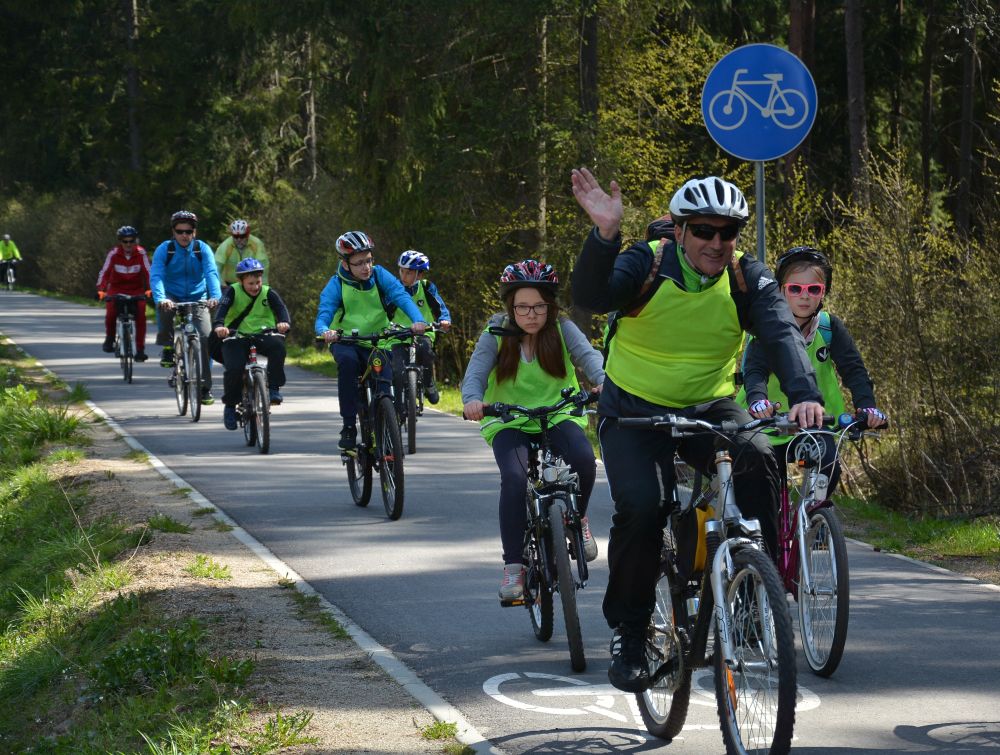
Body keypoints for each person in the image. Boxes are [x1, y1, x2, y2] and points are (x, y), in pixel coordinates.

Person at [570, 167, 825, 693]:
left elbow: (780, 332)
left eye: (727, 232)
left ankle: (757, 593)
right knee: (643, 506)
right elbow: (593, 296)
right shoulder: (648, 261)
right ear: (680, 230)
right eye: (704, 230)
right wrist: (604, 236)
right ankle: (632, 631)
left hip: (709, 405)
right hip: (634, 410)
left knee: (759, 459)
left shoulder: (745, 277)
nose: (716, 242)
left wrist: (804, 396)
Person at [463, 260, 604, 600]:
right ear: (510, 306)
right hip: (508, 418)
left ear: (550, 305)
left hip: (557, 413)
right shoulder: (496, 331)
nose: (531, 314)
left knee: (584, 461)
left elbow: (589, 357)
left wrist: (606, 384)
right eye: (522, 306)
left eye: (540, 306)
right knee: (514, 478)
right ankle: (514, 567)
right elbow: (477, 371)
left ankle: (578, 519)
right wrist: (472, 399)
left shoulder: (562, 328)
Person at [738, 245, 888, 494]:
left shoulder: (829, 328)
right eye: (795, 288)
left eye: (814, 289)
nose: (804, 296)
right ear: (781, 290)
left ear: (823, 292)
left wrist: (867, 405)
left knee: (829, 467)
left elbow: (854, 370)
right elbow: (755, 372)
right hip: (767, 425)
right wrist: (757, 401)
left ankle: (813, 521)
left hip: (814, 422)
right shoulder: (768, 327)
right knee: (765, 487)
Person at [314, 231, 427, 450]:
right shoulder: (336, 284)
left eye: (368, 260)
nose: (366, 267)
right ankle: (348, 426)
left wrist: (418, 320)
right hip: (346, 340)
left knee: (386, 383)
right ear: (345, 264)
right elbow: (325, 312)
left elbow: (400, 296)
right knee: (347, 365)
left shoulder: (379, 275)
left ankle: (385, 426)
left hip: (378, 340)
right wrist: (324, 330)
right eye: (359, 263)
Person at [149, 210, 222, 405]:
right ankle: (167, 346)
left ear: (194, 233)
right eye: (180, 231)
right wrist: (161, 297)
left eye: (188, 231)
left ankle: (205, 387)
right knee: (164, 310)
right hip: (171, 295)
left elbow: (211, 273)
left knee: (207, 338)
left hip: (198, 297)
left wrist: (215, 296)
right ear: (173, 232)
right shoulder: (165, 249)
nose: (184, 235)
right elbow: (156, 275)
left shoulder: (202, 249)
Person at [213, 258, 291, 431]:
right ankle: (230, 406)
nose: (255, 287)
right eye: (250, 283)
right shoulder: (232, 291)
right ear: (240, 281)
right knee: (234, 368)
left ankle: (273, 389)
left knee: (278, 347)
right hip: (236, 336)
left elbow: (281, 309)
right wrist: (219, 326)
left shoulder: (268, 292)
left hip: (263, 333)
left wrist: (284, 322)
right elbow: (221, 310)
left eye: (258, 282)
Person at [389, 250, 452, 405]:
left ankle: (429, 383)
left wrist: (444, 320)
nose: (403, 276)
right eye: (401, 271)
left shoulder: (427, 288)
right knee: (396, 369)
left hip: (423, 333)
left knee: (426, 351)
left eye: (408, 273)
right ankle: (398, 406)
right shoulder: (394, 289)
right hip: (398, 334)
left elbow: (440, 307)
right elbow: (384, 311)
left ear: (420, 274)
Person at [96, 226, 151, 361]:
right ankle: (109, 339)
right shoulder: (114, 254)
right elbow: (105, 272)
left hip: (136, 290)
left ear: (135, 241)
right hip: (116, 289)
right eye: (125, 241)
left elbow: (149, 273)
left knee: (141, 315)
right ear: (120, 241)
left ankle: (140, 349)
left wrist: (150, 290)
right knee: (110, 313)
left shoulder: (141, 253)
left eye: (131, 241)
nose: (128, 244)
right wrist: (101, 290)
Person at [214, 219, 269, 287]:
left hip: (251, 284)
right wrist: (221, 284)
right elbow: (216, 267)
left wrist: (264, 286)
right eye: (236, 237)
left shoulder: (257, 244)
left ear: (247, 235)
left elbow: (263, 266)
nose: (239, 240)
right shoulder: (225, 245)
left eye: (242, 236)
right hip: (229, 284)